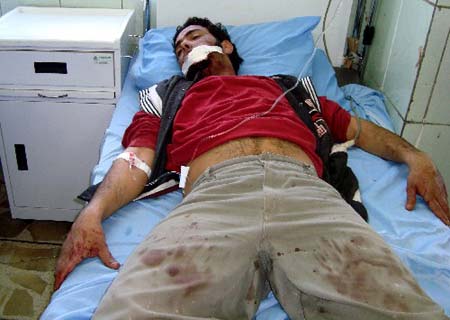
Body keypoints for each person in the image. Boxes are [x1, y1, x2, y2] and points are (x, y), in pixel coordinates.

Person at [55, 17, 449, 320]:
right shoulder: (167, 95)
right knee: (133, 308)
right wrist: (92, 213)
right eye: (178, 47)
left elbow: (360, 131)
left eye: (193, 37)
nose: (184, 47)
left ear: (224, 45)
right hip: (213, 201)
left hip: (308, 197)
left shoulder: (288, 87)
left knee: (400, 307)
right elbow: (136, 159)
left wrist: (416, 156)